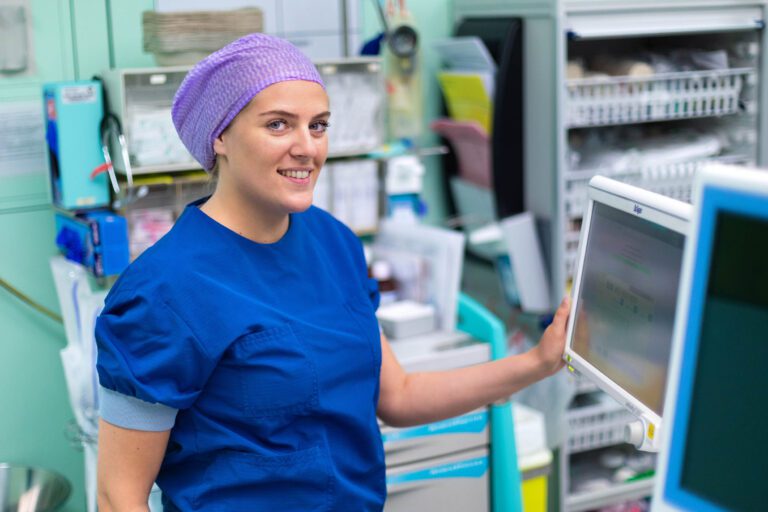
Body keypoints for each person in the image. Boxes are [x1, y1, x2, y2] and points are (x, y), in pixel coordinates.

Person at [95, 33, 570, 512]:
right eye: (279, 125)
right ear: (220, 136)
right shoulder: (165, 291)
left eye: (318, 126)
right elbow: (119, 497)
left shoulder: (334, 243)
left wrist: (537, 363)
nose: (307, 148)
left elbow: (399, 395)